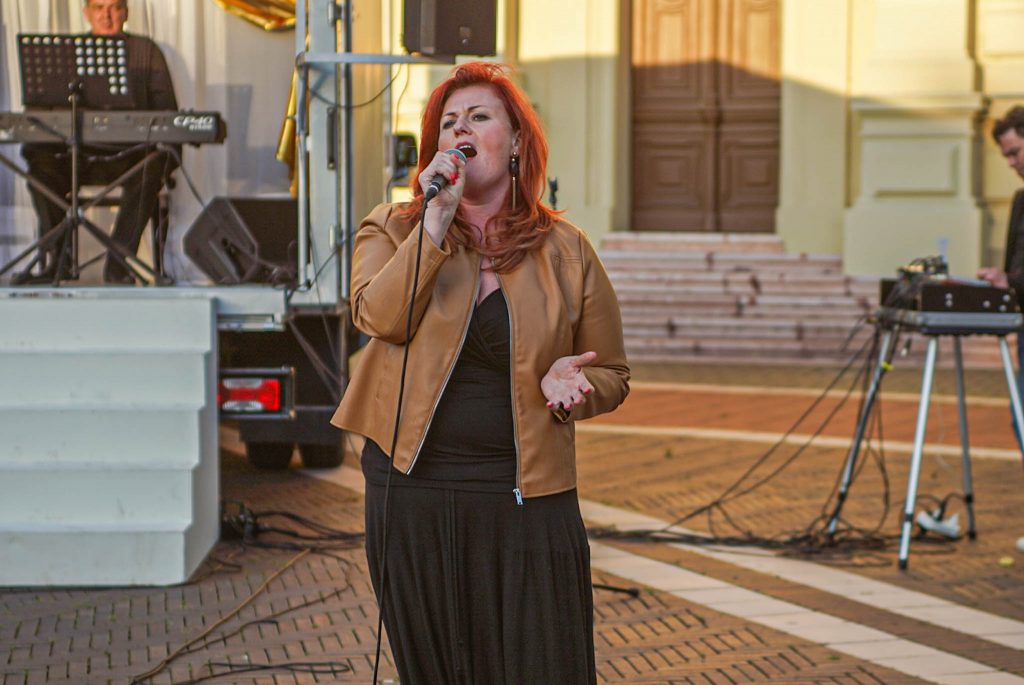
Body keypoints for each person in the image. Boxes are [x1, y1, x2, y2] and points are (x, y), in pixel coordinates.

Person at [330, 62, 630, 683]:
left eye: (478, 116)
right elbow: (378, 318)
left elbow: (613, 372)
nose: (460, 129)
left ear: (517, 141)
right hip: (412, 492)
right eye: (449, 122)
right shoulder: (392, 227)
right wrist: (434, 225)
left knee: (543, 666)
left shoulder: (566, 249)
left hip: (526, 497)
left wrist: (572, 389)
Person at [17, 0, 177, 284]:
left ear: (125, 13)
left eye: (114, 7)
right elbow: (41, 110)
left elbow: (168, 112)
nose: (106, 15)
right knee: (40, 162)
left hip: (129, 157)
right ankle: (59, 262)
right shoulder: (66, 53)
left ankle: (118, 265)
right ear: (87, 13)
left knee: (154, 164)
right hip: (75, 157)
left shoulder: (145, 51)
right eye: (99, 7)